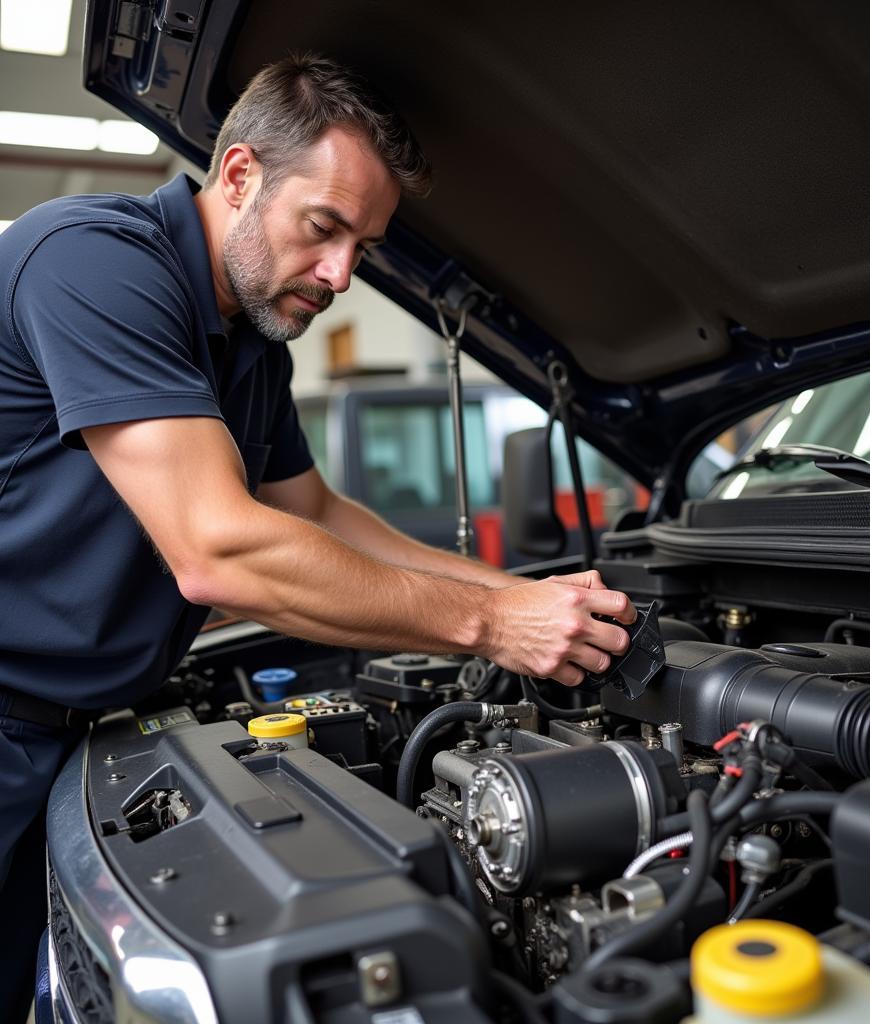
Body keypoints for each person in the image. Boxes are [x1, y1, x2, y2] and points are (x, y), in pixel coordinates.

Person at [0, 54, 635, 1012]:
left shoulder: (250, 345)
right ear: (242, 175)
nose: (341, 274)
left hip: (62, 729)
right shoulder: (95, 261)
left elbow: (319, 516)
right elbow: (218, 549)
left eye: (364, 246)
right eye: (324, 228)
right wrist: (491, 629)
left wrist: (520, 595)